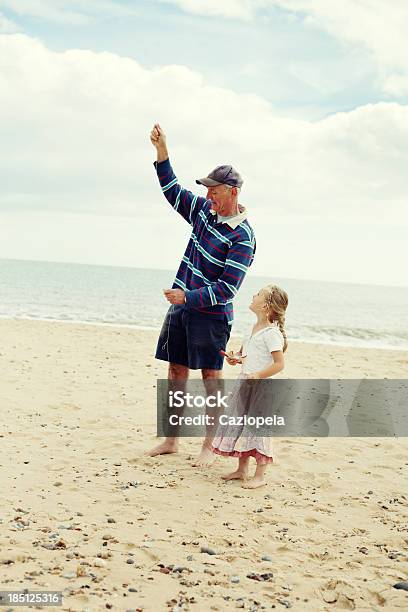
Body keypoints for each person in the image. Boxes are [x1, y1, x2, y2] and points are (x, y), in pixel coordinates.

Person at [147, 123, 256, 466]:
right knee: (176, 372)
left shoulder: (243, 238)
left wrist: (186, 298)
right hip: (182, 310)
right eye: (207, 190)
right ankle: (171, 440)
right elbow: (172, 190)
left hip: (210, 316)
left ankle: (209, 446)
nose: (208, 195)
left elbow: (227, 289)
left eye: (214, 190)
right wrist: (162, 151)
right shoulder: (203, 213)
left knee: (211, 377)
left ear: (232, 192)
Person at [212, 284, 288, 488]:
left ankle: (260, 476)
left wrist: (258, 375)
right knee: (240, 424)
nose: (253, 295)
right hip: (245, 382)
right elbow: (245, 355)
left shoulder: (272, 333)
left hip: (261, 388)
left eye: (258, 294)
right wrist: (235, 358)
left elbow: (279, 364)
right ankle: (241, 469)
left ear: (266, 306)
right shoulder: (254, 329)